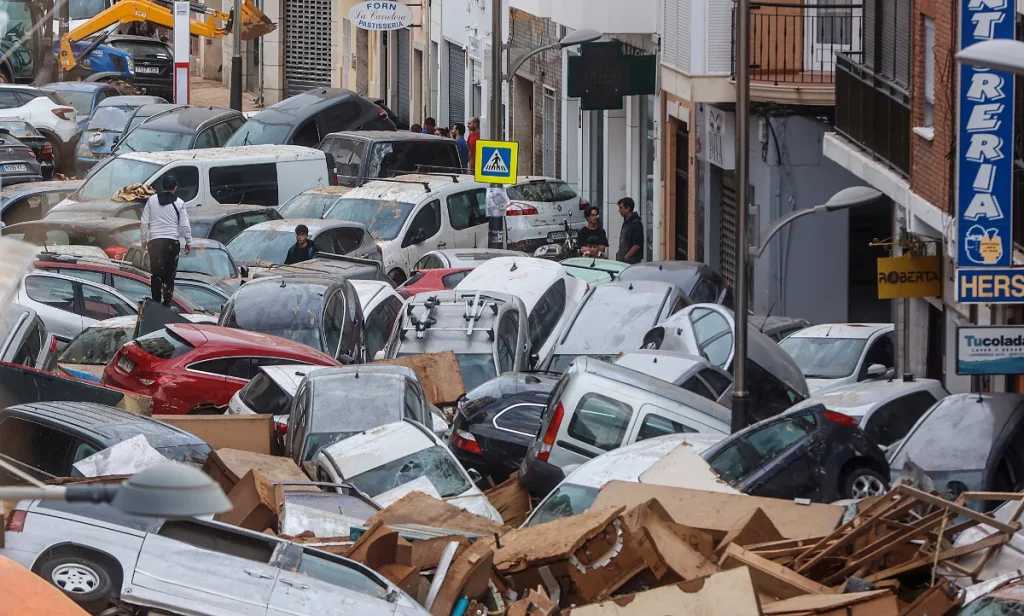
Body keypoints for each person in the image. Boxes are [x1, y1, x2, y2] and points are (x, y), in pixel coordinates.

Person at [141, 175, 191, 306]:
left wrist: (144, 240)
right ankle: (167, 303)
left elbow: (144, 222)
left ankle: (155, 302)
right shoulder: (179, 203)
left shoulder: (151, 201)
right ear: (175, 187)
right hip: (171, 243)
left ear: (162, 186)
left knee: (156, 273)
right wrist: (188, 241)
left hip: (155, 242)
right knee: (169, 274)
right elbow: (184, 225)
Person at [616, 197, 644, 264]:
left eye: (621, 208)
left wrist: (626, 257)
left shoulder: (636, 223)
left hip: (631, 261)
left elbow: (637, 244)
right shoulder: (626, 222)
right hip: (623, 260)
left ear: (628, 208)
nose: (619, 210)